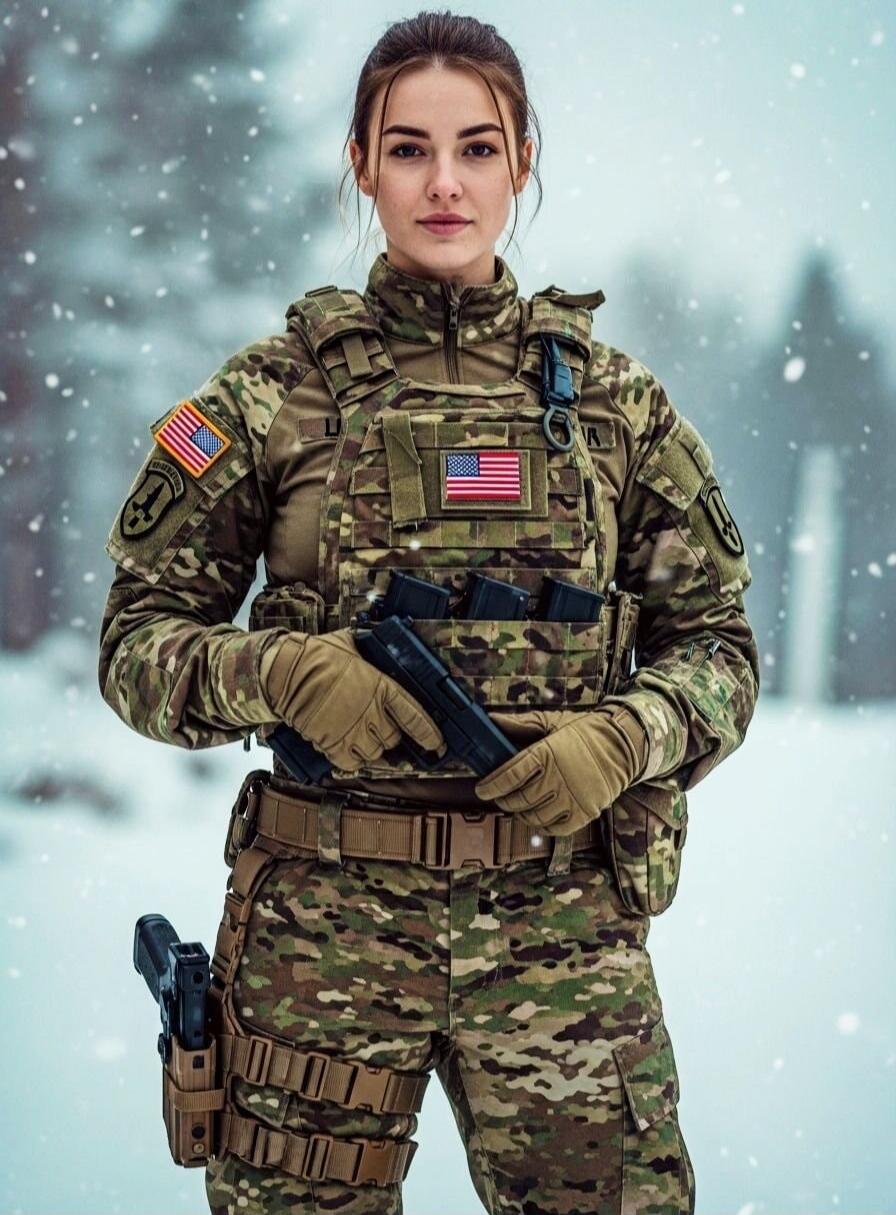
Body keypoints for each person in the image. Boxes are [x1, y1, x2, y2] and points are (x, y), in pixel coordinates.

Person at [98, 10, 759, 1214]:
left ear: (521, 161)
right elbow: (137, 646)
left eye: (476, 147)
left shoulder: (617, 408)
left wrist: (628, 736)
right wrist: (280, 675)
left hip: (561, 933)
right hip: (322, 934)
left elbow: (717, 650)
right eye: (406, 149)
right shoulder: (263, 400)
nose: (442, 183)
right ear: (359, 162)